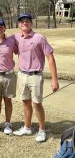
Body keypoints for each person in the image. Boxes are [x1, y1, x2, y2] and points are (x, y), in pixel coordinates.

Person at [13, 13, 59, 142]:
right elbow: (2, 39)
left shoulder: (39, 38)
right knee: (25, 101)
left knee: (37, 103)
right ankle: (27, 127)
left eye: (27, 21)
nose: (24, 23)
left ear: (31, 23)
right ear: (19, 24)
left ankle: (41, 130)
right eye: (21, 21)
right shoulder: (16, 37)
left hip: (36, 76)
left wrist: (54, 80)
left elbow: (50, 58)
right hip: (22, 74)